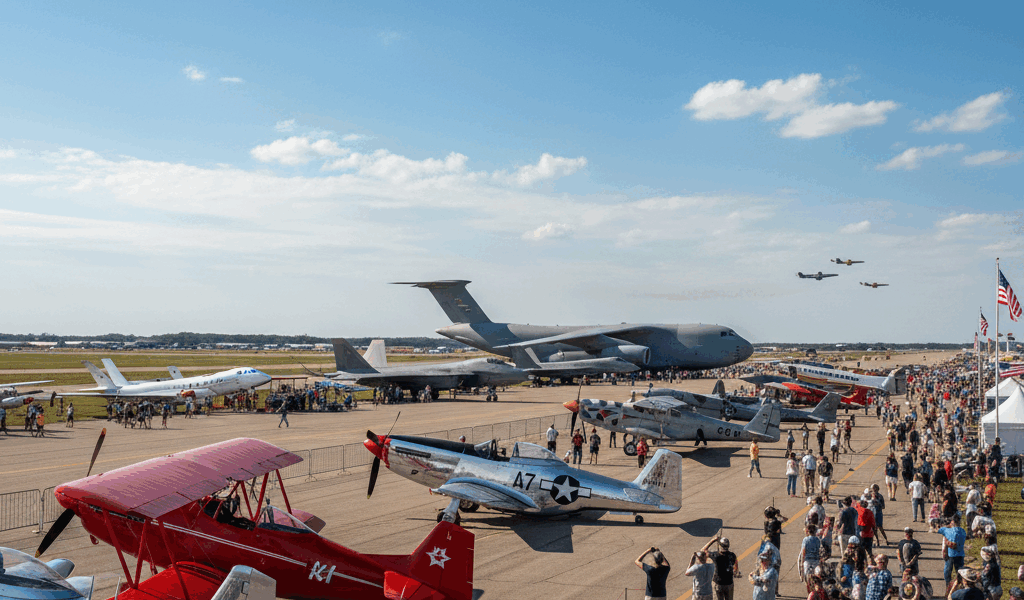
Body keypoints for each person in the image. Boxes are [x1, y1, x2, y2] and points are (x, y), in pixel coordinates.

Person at [939, 514, 967, 589]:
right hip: (960, 554)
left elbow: (953, 545)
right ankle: (960, 585)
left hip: (951, 555)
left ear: (953, 521)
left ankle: (949, 586)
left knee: (948, 572)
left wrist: (946, 544)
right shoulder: (962, 531)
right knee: (959, 571)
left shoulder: (951, 531)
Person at [798, 524, 822, 592]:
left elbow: (803, 551)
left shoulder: (805, 540)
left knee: (807, 578)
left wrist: (802, 562)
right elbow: (820, 550)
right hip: (816, 561)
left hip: (807, 561)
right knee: (816, 577)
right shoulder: (817, 539)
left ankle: (809, 590)